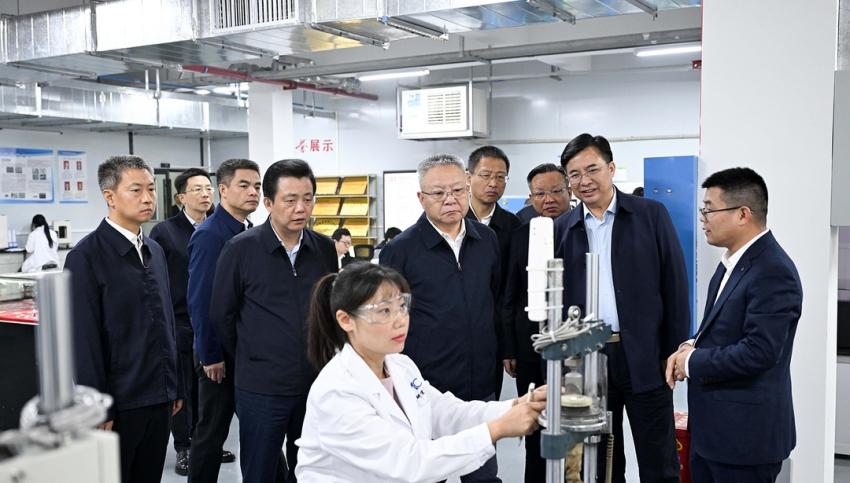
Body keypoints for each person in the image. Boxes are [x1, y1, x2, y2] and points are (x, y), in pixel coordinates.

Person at [296, 262, 547, 482]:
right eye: (384, 311)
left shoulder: (399, 366)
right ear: (346, 320)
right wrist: (498, 428)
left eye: (402, 306)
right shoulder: (337, 391)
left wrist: (517, 404)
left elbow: (447, 413)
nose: (400, 320)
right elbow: (409, 462)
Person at [555, 134, 689, 483]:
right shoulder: (563, 229)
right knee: (600, 460)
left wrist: (674, 351)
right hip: (589, 361)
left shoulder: (649, 215)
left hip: (645, 356)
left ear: (611, 168)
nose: (584, 181)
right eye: (574, 174)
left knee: (658, 457)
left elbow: (675, 286)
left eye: (592, 169)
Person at [665, 168, 801, 483]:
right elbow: (721, 329)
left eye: (709, 209)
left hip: (745, 440)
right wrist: (690, 345)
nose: (703, 219)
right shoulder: (731, 264)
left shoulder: (772, 271)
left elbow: (760, 352)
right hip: (713, 434)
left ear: (742, 214)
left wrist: (692, 362)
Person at [212, 159, 337, 482]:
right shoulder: (240, 249)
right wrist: (255, 354)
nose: (301, 208)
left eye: (307, 199)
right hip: (261, 387)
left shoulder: (324, 249)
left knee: (312, 470)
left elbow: (329, 310)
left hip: (314, 383)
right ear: (268, 203)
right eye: (290, 200)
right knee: (260, 471)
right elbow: (223, 316)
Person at [380, 154, 502, 482]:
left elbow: (493, 299)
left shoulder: (486, 240)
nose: (451, 199)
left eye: (458, 190)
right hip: (425, 388)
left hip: (479, 383)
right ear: (421, 198)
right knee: (428, 474)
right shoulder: (401, 250)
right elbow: (388, 317)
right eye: (438, 193)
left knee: (483, 475)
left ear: (468, 189)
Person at [65, 155, 182, 483]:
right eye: (136, 190)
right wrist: (97, 406)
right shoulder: (86, 257)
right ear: (110, 196)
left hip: (160, 394)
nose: (147, 198)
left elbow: (167, 322)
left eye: (151, 189)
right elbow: (83, 339)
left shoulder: (154, 250)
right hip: (119, 402)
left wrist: (175, 384)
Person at [187, 158, 261, 483]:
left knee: (260, 429)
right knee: (211, 434)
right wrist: (210, 355)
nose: (253, 192)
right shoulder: (210, 235)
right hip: (220, 357)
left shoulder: (249, 232)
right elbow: (201, 299)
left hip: (245, 351)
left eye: (257, 186)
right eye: (244, 185)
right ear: (223, 190)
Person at [501, 163, 574, 482]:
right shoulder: (520, 236)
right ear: (530, 198)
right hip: (530, 344)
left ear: (569, 192)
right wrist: (509, 347)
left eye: (556, 191)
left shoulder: (582, 230)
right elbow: (510, 294)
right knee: (534, 420)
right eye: (540, 193)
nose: (549, 199)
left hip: (575, 343)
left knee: (575, 421)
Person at [149, 168, 213, 476]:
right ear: (181, 198)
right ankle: (184, 447)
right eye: (197, 189)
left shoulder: (218, 228)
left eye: (208, 188)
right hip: (180, 321)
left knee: (210, 389)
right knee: (184, 388)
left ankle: (207, 442)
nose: (205, 194)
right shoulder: (165, 232)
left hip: (212, 321)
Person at [465, 146, 521, 399]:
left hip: (494, 331)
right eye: (486, 175)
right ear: (468, 177)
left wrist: (509, 346)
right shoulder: (452, 221)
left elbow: (513, 290)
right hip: (455, 329)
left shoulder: (513, 226)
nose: (493, 183)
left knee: (488, 403)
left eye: (500, 177)